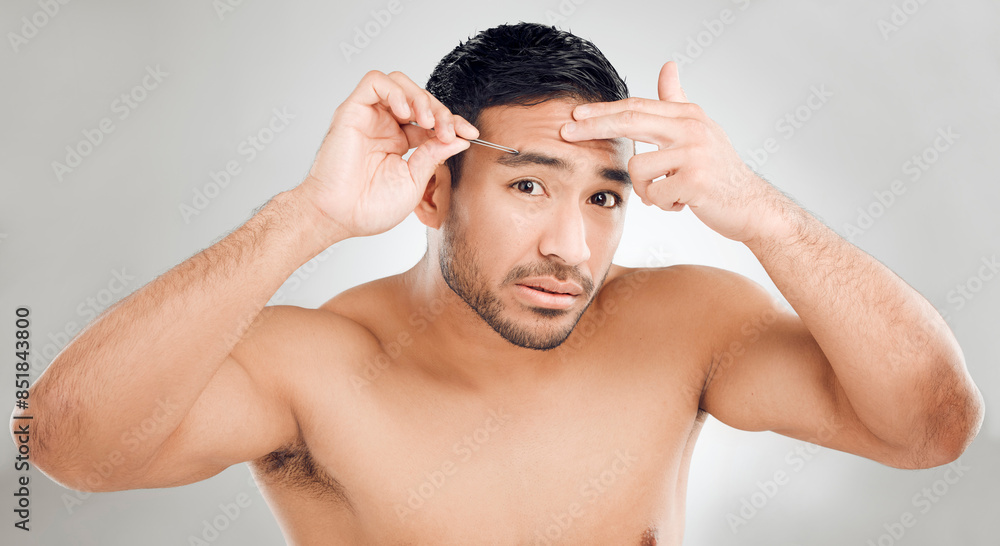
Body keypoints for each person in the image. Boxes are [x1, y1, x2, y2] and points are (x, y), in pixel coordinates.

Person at [15, 22, 983, 546]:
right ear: (435, 190)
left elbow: (928, 427)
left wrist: (766, 214)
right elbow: (68, 444)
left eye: (605, 198)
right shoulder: (312, 367)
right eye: (528, 185)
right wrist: (308, 213)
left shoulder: (688, 323)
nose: (571, 244)